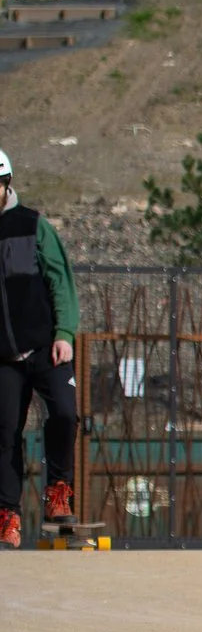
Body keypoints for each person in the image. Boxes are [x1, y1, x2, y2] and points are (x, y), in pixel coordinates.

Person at [0, 149, 81, 550]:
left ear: (6, 184)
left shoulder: (32, 226)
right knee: (4, 435)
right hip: (3, 359)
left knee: (65, 413)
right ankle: (7, 515)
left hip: (47, 348)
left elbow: (59, 280)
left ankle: (58, 493)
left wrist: (65, 332)